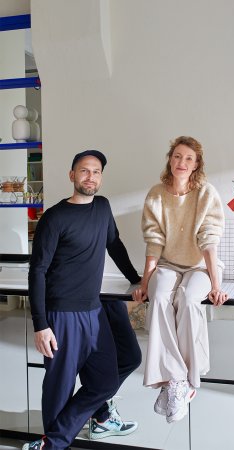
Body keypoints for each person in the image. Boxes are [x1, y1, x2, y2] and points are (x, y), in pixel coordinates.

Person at [23, 150, 141, 450]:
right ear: (72, 175)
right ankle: (52, 445)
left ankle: (61, 436)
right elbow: (37, 271)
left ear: (101, 177)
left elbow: (113, 243)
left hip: (93, 310)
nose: (91, 176)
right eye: (84, 171)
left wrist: (136, 278)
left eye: (96, 171)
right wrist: (41, 324)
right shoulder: (55, 217)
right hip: (62, 314)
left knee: (106, 381)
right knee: (59, 388)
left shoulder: (102, 207)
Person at [132, 136, 228, 424]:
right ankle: (176, 379)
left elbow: (208, 242)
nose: (181, 162)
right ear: (169, 160)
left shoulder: (206, 194)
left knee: (187, 299)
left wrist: (215, 285)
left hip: (200, 266)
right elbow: (154, 242)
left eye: (188, 158)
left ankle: (186, 378)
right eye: (177, 156)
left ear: (196, 164)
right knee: (159, 296)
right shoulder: (156, 194)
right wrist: (144, 282)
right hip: (168, 264)